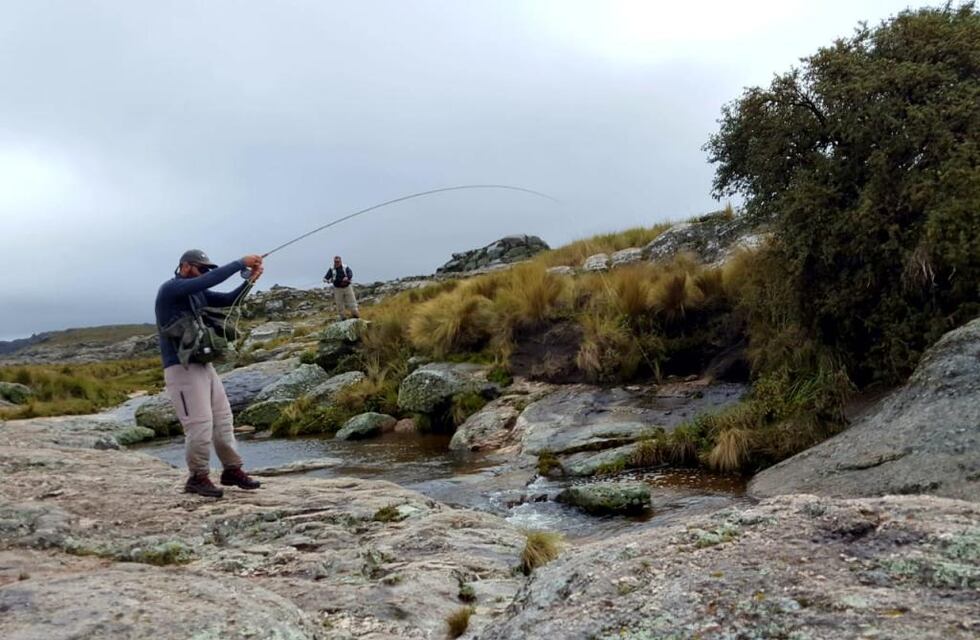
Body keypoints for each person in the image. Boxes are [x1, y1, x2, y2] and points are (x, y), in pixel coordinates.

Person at [154, 249, 265, 498]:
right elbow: (209, 281)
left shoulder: (197, 293)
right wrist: (239, 263)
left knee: (223, 419)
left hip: (203, 364)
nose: (205, 273)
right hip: (180, 368)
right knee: (199, 424)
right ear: (185, 267)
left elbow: (228, 299)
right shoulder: (171, 289)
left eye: (206, 269)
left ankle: (232, 470)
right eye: (201, 268)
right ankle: (197, 477)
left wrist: (249, 281)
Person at [323, 255, 360, 320]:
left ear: (340, 261)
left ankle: (355, 315)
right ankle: (343, 317)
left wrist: (347, 277)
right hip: (337, 289)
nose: (337, 263)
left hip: (347, 287)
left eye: (338, 261)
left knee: (352, 302)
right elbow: (325, 278)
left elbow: (350, 273)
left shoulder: (345, 267)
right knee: (339, 303)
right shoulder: (331, 269)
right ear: (334, 262)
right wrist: (328, 280)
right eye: (335, 261)